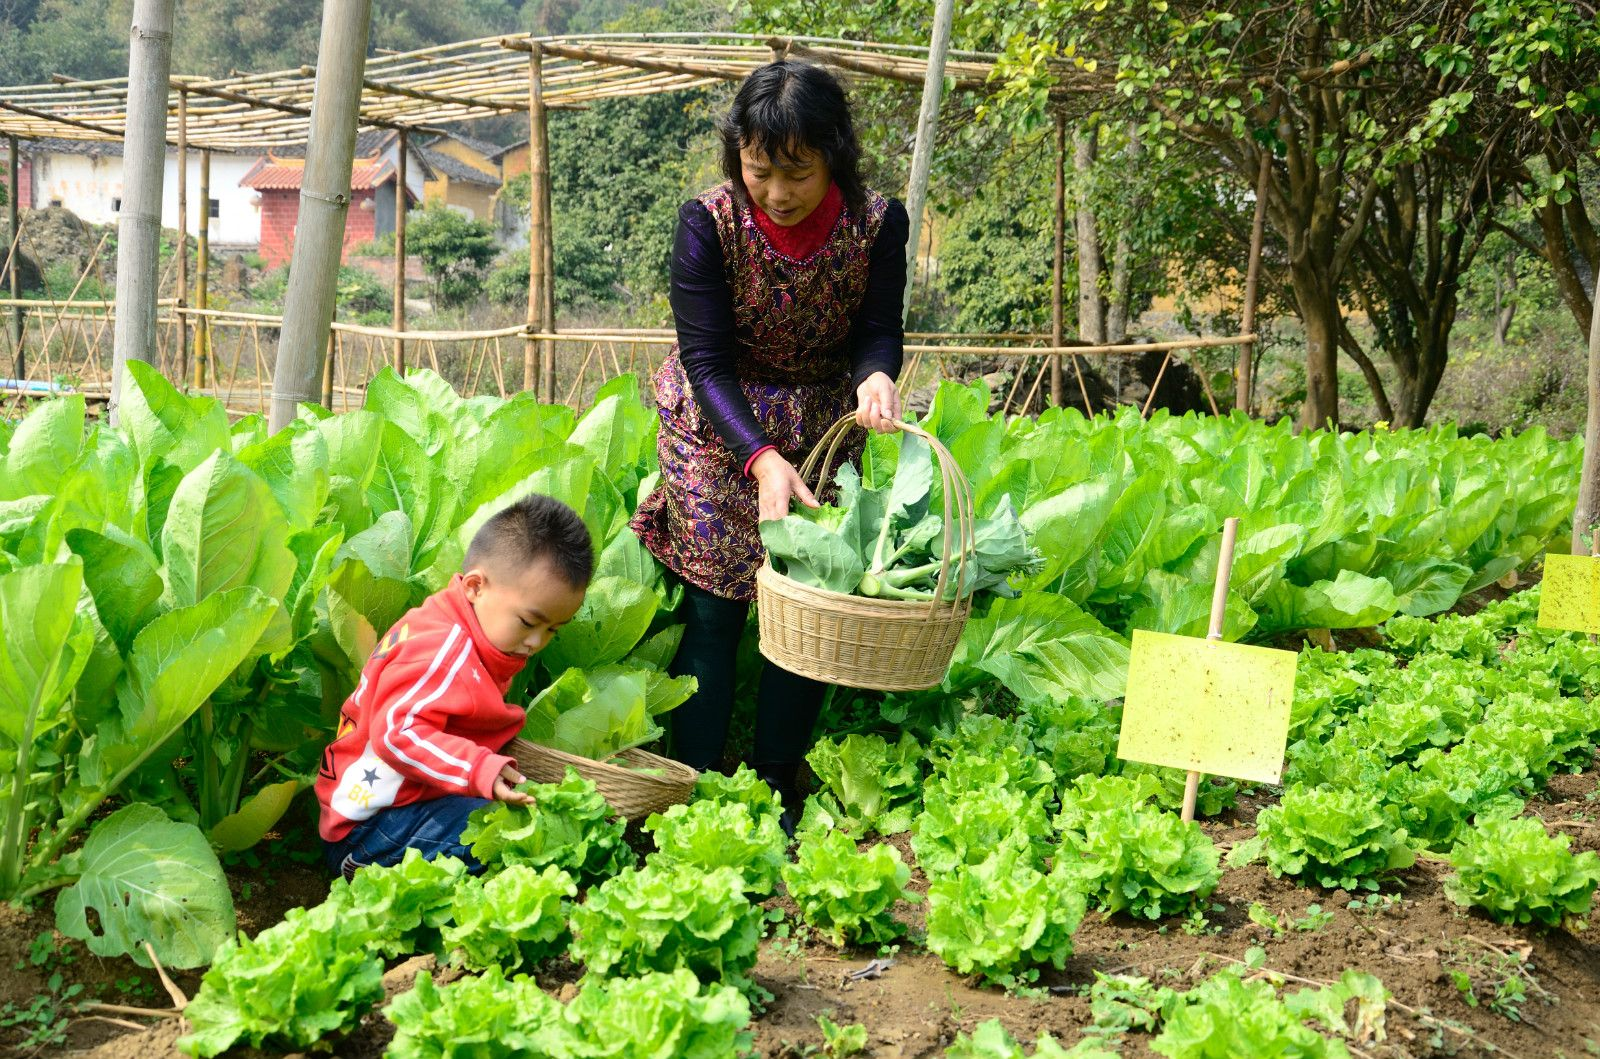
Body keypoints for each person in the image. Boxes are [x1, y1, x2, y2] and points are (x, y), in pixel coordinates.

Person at [630, 60, 909, 828]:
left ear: (834, 158)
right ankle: (693, 790)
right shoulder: (707, 223)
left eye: (798, 173)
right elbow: (707, 361)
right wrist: (758, 457)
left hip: (821, 429)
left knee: (807, 600)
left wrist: (876, 377)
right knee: (717, 608)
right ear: (737, 158)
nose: (777, 193)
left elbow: (878, 329)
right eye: (759, 171)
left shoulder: (878, 224)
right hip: (720, 427)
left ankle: (776, 781)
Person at [316, 494, 592, 879]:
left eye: (552, 631)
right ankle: (367, 872)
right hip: (370, 828)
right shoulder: (443, 651)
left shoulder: (471, 629)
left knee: (512, 826)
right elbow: (396, 735)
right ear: (476, 587)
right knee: (499, 833)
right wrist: (479, 768)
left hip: (402, 805)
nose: (536, 642)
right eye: (529, 623)